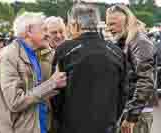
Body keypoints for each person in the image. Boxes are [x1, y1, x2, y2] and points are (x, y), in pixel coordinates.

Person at [51, 2, 127, 133]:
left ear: (75, 25)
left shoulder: (65, 50)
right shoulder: (116, 51)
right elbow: (123, 92)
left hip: (72, 124)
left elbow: (56, 92)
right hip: (106, 124)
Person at [0, 12, 67, 133]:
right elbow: (15, 102)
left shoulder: (34, 53)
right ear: (29, 32)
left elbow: (35, 91)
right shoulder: (9, 55)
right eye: (44, 29)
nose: (48, 34)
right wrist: (52, 83)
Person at [106, 4, 154, 133]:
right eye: (108, 24)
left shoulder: (139, 41)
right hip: (130, 109)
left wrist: (132, 116)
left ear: (127, 22)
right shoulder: (125, 41)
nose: (109, 28)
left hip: (137, 113)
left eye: (113, 24)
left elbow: (146, 80)